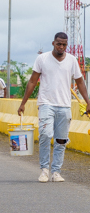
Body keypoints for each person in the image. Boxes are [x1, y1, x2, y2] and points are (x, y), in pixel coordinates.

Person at [17, 32, 90, 183]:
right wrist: (23, 103)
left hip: (64, 105)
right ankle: (44, 170)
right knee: (45, 134)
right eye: (59, 44)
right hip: (46, 104)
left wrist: (88, 102)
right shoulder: (42, 59)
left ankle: (56, 171)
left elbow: (80, 82)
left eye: (64, 44)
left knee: (61, 140)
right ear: (53, 43)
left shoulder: (71, 60)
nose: (61, 47)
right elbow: (32, 81)